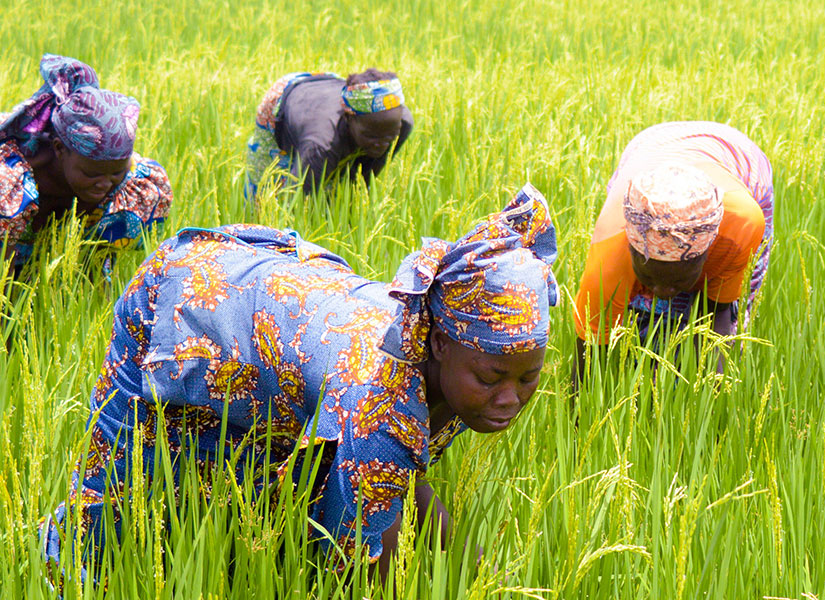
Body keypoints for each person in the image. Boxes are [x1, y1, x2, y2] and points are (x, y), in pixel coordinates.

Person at [42, 185, 557, 579]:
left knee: (273, 489)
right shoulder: (380, 394)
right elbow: (357, 559)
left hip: (277, 325)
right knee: (122, 499)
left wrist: (484, 574)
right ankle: (51, 567)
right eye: (492, 378)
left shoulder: (457, 364)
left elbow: (399, 472)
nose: (511, 398)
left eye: (529, 377)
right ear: (440, 343)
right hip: (186, 302)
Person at [571, 121, 773, 381]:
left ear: (707, 252)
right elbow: (589, 351)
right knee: (647, 318)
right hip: (651, 149)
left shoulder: (740, 226)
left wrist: (711, 391)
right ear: (631, 251)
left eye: (677, 279)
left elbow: (719, 314)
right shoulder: (611, 252)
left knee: (726, 321)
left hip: (738, 159)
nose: (662, 291)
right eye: (650, 277)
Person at [0, 54, 172, 271]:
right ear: (60, 149)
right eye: (92, 175)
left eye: (117, 173)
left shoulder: (130, 178)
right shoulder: (10, 178)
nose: (105, 184)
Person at [243, 68, 413, 200]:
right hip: (284, 99)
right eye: (371, 136)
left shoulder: (402, 124)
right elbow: (294, 201)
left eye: (389, 136)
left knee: (338, 192)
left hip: (330, 86)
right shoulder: (322, 144)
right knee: (265, 195)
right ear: (348, 118)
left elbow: (363, 180)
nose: (381, 143)